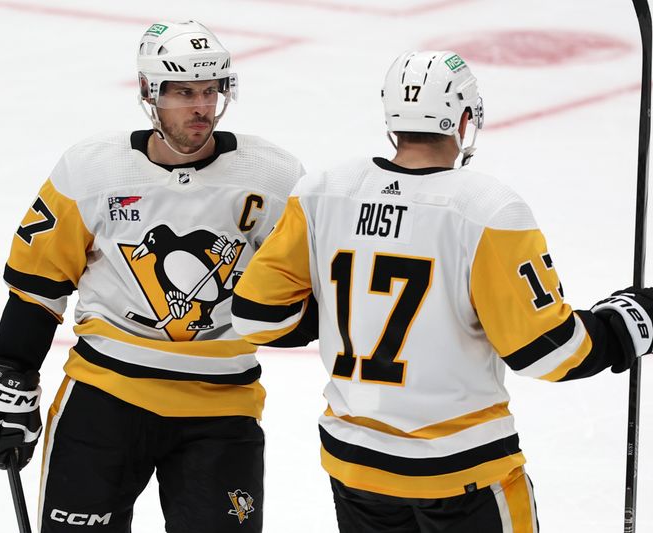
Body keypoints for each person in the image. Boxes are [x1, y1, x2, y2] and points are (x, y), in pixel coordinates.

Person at [231, 50, 653, 532]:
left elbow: (255, 317)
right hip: (462, 472)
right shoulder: (487, 209)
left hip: (356, 469)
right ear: (465, 118)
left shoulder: (323, 191)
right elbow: (549, 353)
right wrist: (631, 319)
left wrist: (335, 310)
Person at [0, 20, 305, 533]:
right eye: (185, 92)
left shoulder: (273, 178)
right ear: (149, 92)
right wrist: (7, 389)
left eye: (211, 91)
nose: (201, 108)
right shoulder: (91, 172)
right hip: (105, 398)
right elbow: (39, 289)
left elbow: (311, 294)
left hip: (221, 407)